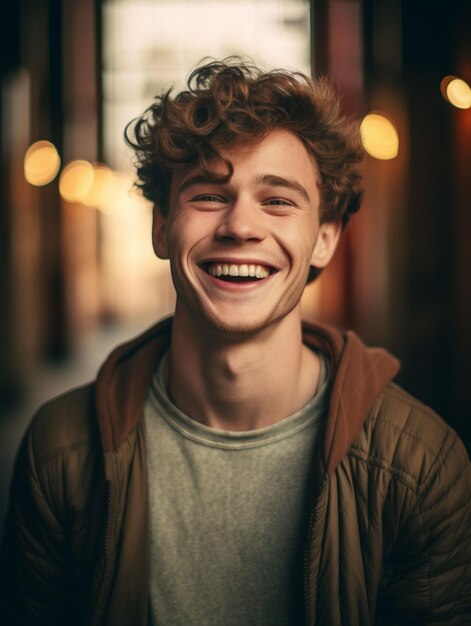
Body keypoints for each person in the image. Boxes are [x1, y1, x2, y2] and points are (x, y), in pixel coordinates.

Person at [1, 58, 470, 626]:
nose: (240, 226)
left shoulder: (421, 467)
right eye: (208, 195)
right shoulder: (59, 454)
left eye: (277, 200)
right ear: (160, 226)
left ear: (324, 238)